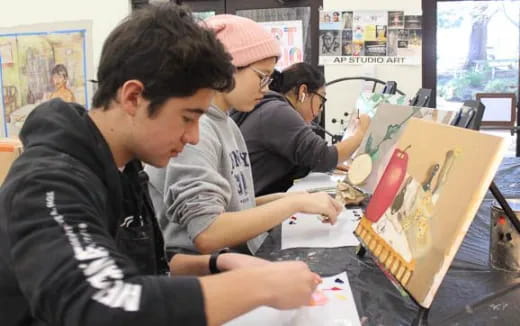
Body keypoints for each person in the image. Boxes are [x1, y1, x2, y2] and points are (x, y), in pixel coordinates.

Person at [0, 5, 323, 326]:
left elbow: (148, 270)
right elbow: (97, 302)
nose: (194, 137)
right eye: (187, 117)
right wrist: (257, 287)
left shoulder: (124, 167)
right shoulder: (48, 181)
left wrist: (217, 264)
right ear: (133, 98)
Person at [145, 14, 342, 257]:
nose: (267, 88)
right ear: (227, 69)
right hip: (210, 272)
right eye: (262, 77)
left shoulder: (228, 125)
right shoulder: (197, 129)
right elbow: (207, 232)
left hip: (243, 258)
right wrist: (294, 203)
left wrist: (297, 199)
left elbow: (237, 206)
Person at [231, 62, 370, 196]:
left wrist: (322, 163)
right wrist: (361, 133)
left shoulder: (269, 108)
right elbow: (324, 157)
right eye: (321, 100)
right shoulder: (277, 111)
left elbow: (306, 157)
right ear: (303, 92)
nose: (319, 111)